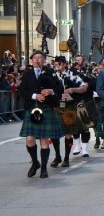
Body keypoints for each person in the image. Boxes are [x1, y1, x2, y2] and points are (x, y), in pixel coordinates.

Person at [19, 50, 64, 178]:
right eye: (35, 58)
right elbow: (22, 91)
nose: (37, 60)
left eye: (40, 57)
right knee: (30, 139)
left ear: (44, 60)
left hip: (46, 108)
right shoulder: (27, 74)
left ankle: (44, 168)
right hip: (33, 108)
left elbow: (60, 89)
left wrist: (51, 91)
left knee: (44, 140)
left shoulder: (51, 73)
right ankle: (35, 163)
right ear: (31, 61)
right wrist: (35, 96)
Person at [51, 56, 88, 168]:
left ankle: (66, 158)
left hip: (68, 106)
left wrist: (73, 90)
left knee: (68, 132)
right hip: (55, 106)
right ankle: (57, 156)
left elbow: (84, 87)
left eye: (58, 64)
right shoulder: (51, 75)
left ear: (64, 64)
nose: (56, 66)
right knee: (54, 133)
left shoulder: (72, 75)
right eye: (55, 64)